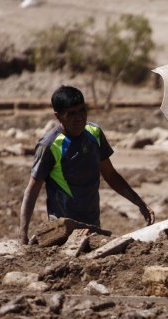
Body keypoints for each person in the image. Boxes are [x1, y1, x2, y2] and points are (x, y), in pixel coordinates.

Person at [19, 85, 154, 244]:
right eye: (71, 114)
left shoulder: (94, 133)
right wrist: (23, 235)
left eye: (82, 110)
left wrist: (140, 203)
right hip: (62, 230)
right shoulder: (50, 145)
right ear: (58, 116)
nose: (79, 118)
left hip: (92, 227)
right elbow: (32, 190)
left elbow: (110, 175)